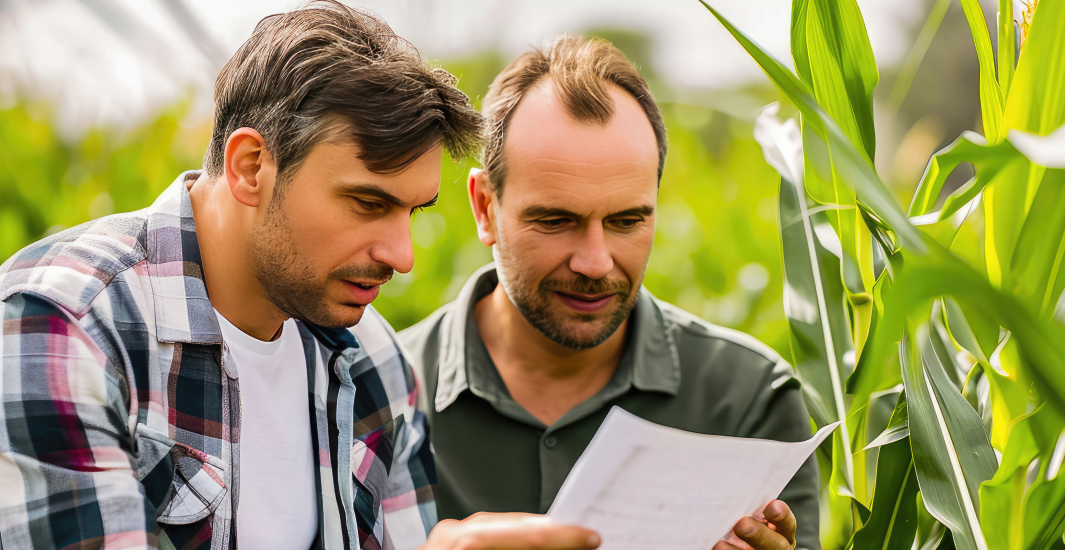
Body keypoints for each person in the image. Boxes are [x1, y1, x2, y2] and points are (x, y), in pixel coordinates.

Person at [0, 3, 599, 549]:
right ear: (251, 166)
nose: (402, 254)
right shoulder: (64, 326)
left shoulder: (375, 362)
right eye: (367, 203)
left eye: (412, 212)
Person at [398, 35, 821, 550]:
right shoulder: (379, 394)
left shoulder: (747, 399)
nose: (595, 263)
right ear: (485, 207)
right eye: (556, 221)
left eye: (626, 221)